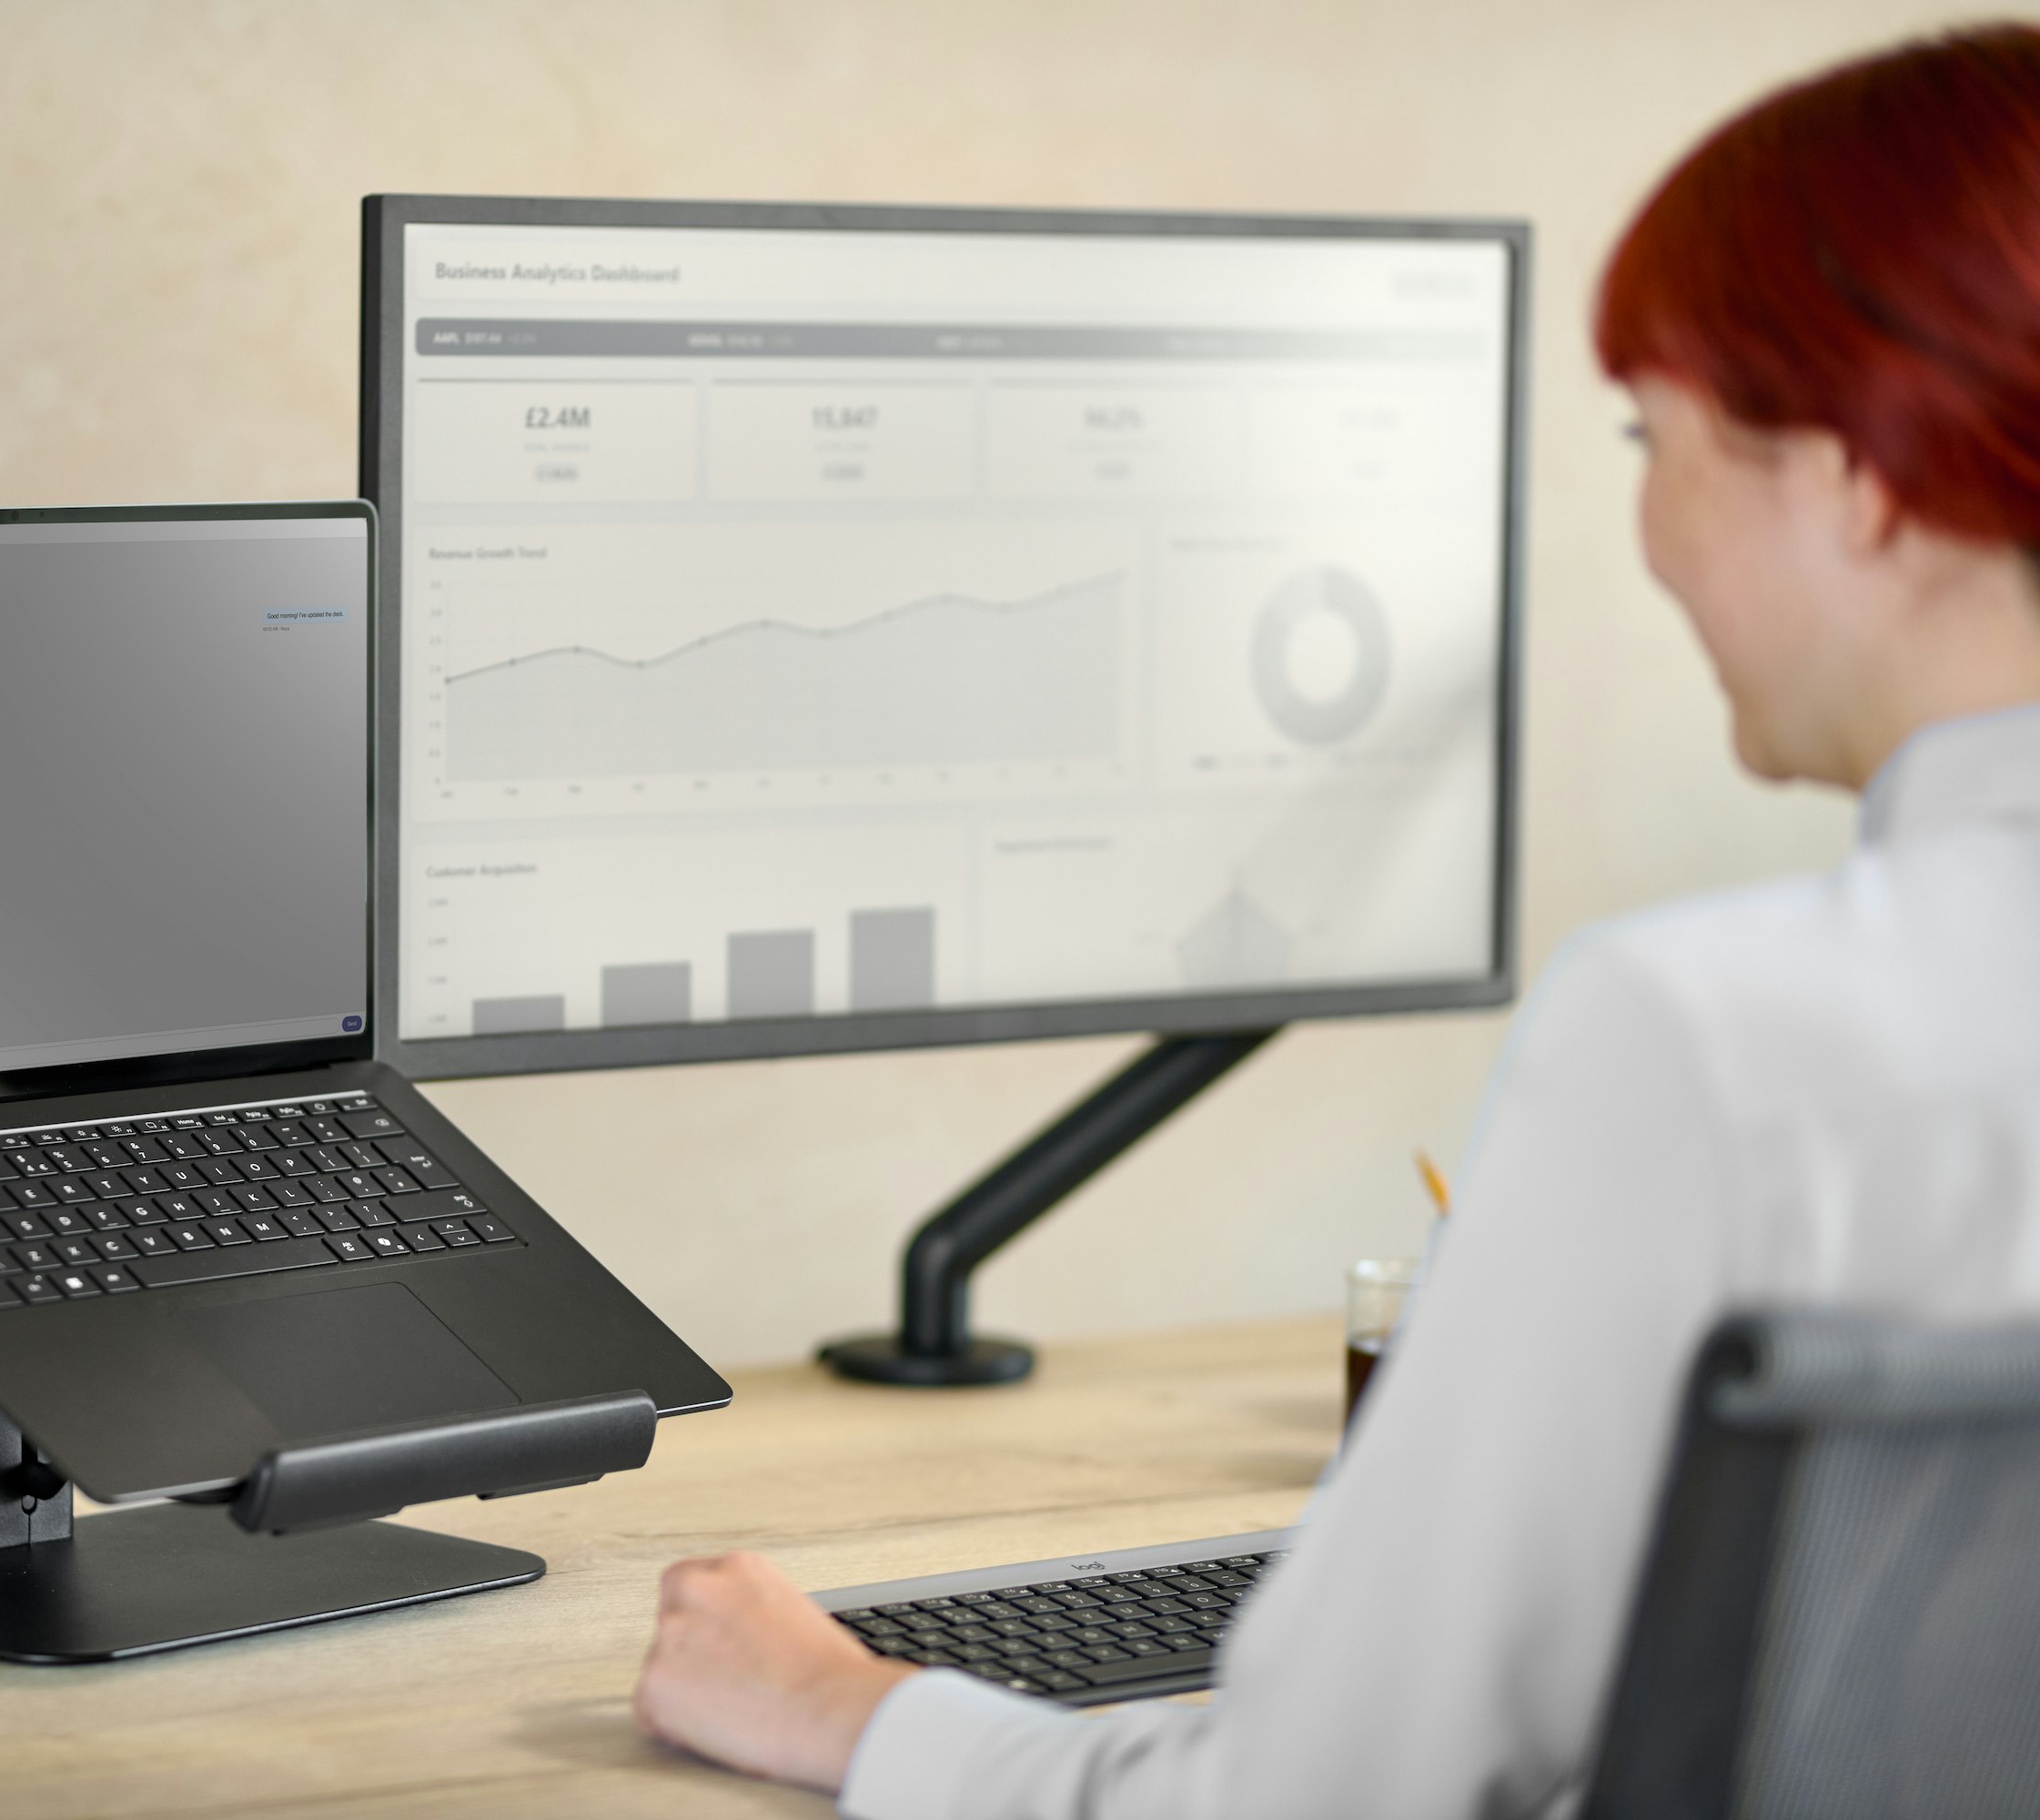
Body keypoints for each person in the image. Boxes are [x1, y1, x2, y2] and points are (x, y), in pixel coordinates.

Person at [630, 23, 2040, 1817]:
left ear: (1860, 475)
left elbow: (1313, 1798)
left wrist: (848, 1705)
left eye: (1655, 438)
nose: (1650, 530)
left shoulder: (1710, 1040)